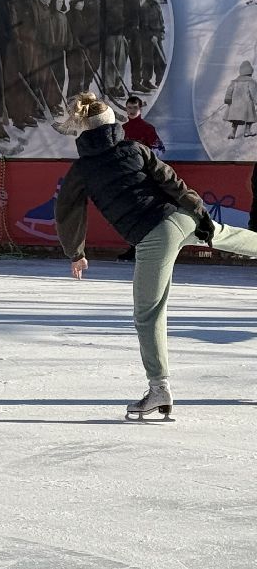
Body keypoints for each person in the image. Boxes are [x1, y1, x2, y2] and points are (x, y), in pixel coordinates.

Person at [54, 92, 257, 421]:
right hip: (180, 217)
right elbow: (173, 182)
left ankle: (159, 389)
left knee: (148, 314)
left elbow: (67, 211)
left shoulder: (82, 169)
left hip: (153, 234)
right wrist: (200, 215)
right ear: (114, 126)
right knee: (227, 235)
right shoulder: (134, 148)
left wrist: (76, 253)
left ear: (84, 131)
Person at [224, 61, 257, 138]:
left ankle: (232, 132)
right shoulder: (251, 82)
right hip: (246, 104)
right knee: (250, 118)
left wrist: (228, 98)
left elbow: (229, 90)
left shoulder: (235, 81)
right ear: (250, 72)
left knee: (236, 119)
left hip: (235, 104)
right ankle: (247, 131)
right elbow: (254, 93)